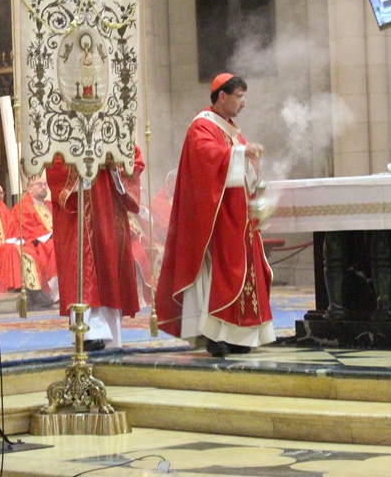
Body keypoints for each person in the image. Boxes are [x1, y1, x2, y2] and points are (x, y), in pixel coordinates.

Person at [155, 73, 274, 358]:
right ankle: (213, 334)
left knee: (245, 272)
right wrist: (240, 153)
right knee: (217, 274)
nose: (243, 104)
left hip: (236, 217)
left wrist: (250, 165)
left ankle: (240, 335)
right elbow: (206, 157)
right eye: (239, 97)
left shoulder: (231, 129)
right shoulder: (201, 127)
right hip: (213, 220)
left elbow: (238, 163)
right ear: (223, 96)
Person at [46, 145, 145, 351]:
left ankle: (110, 331)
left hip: (110, 205)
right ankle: (89, 330)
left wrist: (114, 163)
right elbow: (55, 163)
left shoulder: (112, 122)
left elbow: (133, 158)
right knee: (84, 267)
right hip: (80, 206)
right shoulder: (66, 126)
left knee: (109, 264)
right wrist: (88, 162)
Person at [9, 174, 58, 309]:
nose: (43, 187)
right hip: (36, 243)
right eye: (39, 184)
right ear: (29, 188)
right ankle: (54, 294)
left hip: (52, 240)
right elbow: (24, 230)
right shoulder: (22, 207)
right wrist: (47, 235)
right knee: (55, 248)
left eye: (45, 184)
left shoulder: (50, 205)